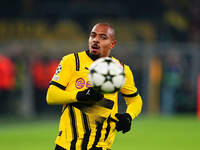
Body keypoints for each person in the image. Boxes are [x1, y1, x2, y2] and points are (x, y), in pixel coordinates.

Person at [46, 23, 143, 150]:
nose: (96, 40)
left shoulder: (121, 70)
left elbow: (135, 100)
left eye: (103, 37)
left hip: (100, 145)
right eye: (93, 36)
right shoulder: (71, 61)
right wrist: (79, 95)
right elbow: (51, 96)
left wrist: (128, 116)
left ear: (112, 44)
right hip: (67, 145)